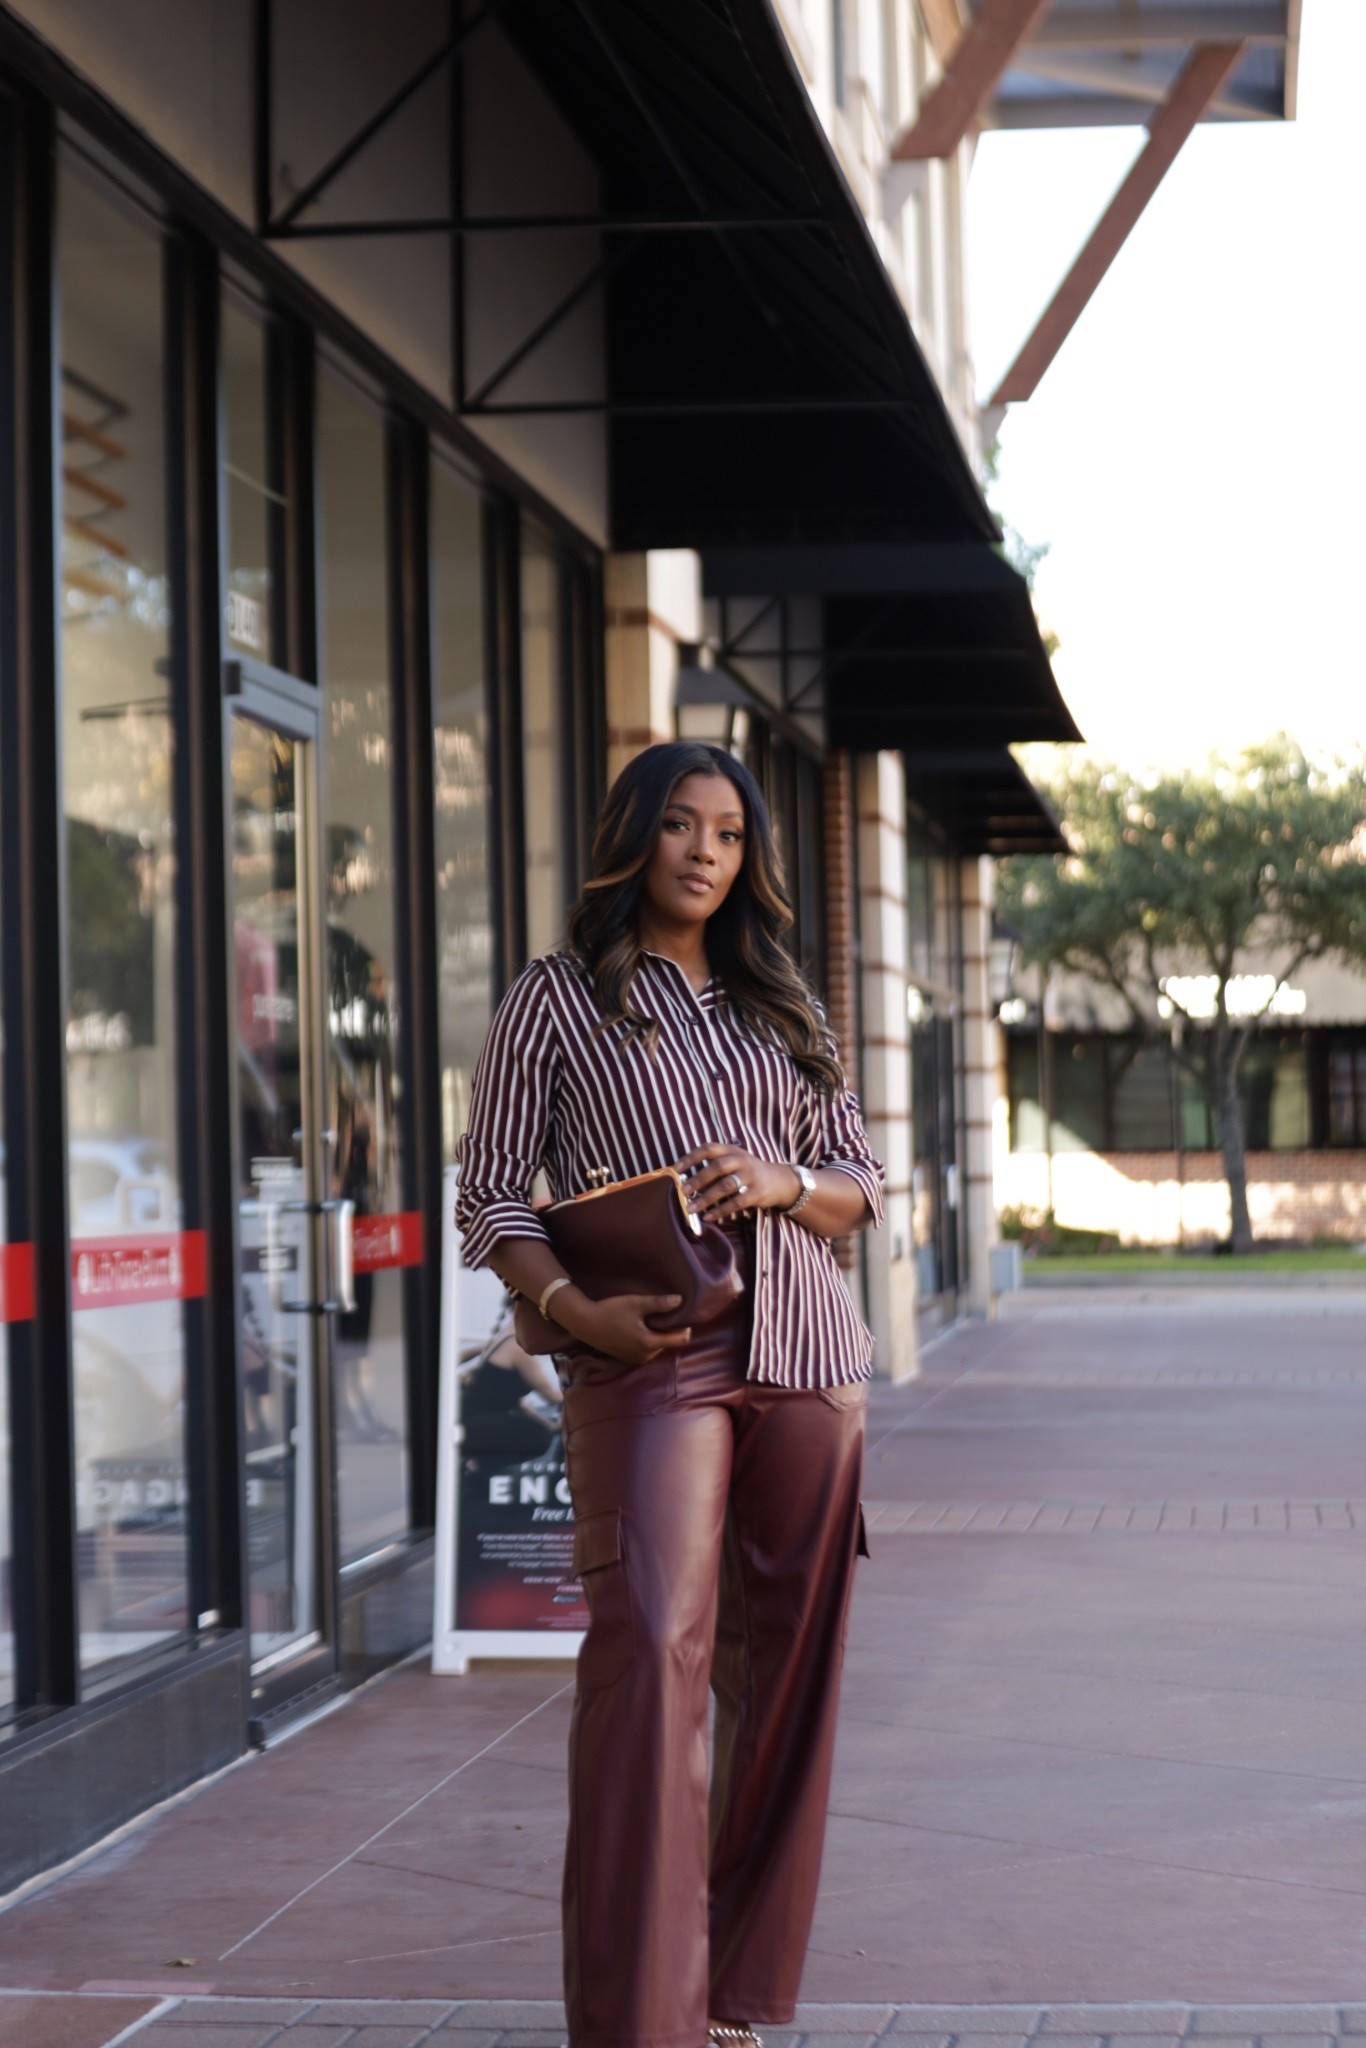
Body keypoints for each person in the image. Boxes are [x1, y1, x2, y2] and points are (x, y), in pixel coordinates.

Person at [456, 740, 884, 2048]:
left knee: (784, 1678)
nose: (704, 851)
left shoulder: (782, 1001)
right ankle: (639, 2016)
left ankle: (736, 1991)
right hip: (648, 1354)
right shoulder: (554, 996)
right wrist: (572, 1311)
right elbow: (491, 1193)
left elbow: (861, 1181)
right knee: (650, 1653)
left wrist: (781, 1185)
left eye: (729, 834)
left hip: (806, 1356)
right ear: (633, 836)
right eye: (680, 826)